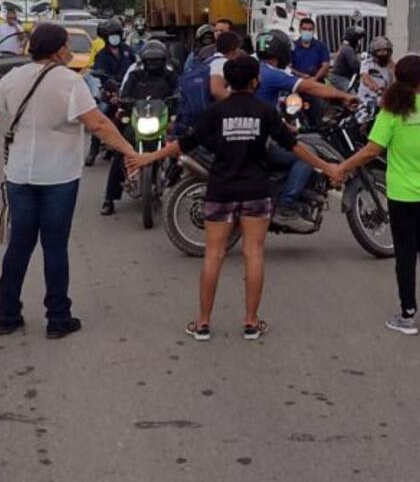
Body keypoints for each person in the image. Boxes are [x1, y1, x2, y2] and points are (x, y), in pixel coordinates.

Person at [134, 55, 342, 340]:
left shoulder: (215, 112)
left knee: (213, 255)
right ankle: (251, 323)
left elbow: (183, 143)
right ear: (255, 81)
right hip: (256, 191)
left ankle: (203, 323)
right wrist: (328, 166)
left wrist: (148, 157)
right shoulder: (264, 111)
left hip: (221, 190)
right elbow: (294, 147)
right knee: (253, 254)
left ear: (228, 82)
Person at [0, 24, 136, 338]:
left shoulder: (14, 78)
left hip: (20, 175)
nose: (69, 51)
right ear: (59, 50)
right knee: (55, 246)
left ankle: (7, 315)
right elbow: (98, 124)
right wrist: (129, 151)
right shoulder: (71, 82)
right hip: (59, 177)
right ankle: (58, 318)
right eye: (66, 46)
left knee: (19, 245)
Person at [335, 55, 420, 335]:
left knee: (405, 255)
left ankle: (407, 316)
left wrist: (342, 167)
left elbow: (372, 150)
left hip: (402, 196)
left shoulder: (391, 111)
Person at [254, 29, 357, 232]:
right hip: (261, 143)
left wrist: (285, 127)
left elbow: (263, 109)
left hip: (254, 135)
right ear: (281, 51)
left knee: (296, 140)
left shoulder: (256, 71)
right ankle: (286, 206)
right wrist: (344, 95)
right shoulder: (272, 74)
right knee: (307, 155)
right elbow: (311, 87)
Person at [102, 39, 180, 215]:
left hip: (163, 121)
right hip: (137, 121)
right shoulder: (135, 76)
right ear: (143, 61)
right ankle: (109, 198)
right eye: (149, 60)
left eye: (157, 60)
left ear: (164, 60)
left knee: (179, 149)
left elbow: (179, 92)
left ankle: (174, 185)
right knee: (119, 153)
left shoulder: (171, 77)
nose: (153, 64)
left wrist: (176, 101)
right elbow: (124, 94)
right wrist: (122, 101)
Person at [91, 19, 135, 85]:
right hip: (110, 87)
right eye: (112, 35)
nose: (115, 37)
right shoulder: (101, 55)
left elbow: (135, 65)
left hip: (128, 86)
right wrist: (109, 80)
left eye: (117, 34)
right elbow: (98, 71)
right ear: (106, 38)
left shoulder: (127, 50)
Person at [358, 36, 394, 111]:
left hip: (383, 101)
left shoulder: (391, 66)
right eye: (379, 50)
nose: (383, 53)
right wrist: (376, 88)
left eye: (385, 50)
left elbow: (395, 81)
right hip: (365, 100)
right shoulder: (367, 63)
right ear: (374, 52)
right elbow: (365, 78)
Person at [329, 26, 365, 92]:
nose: (359, 42)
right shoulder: (348, 49)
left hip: (344, 77)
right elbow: (356, 66)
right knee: (353, 96)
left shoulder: (346, 47)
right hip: (339, 78)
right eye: (358, 39)